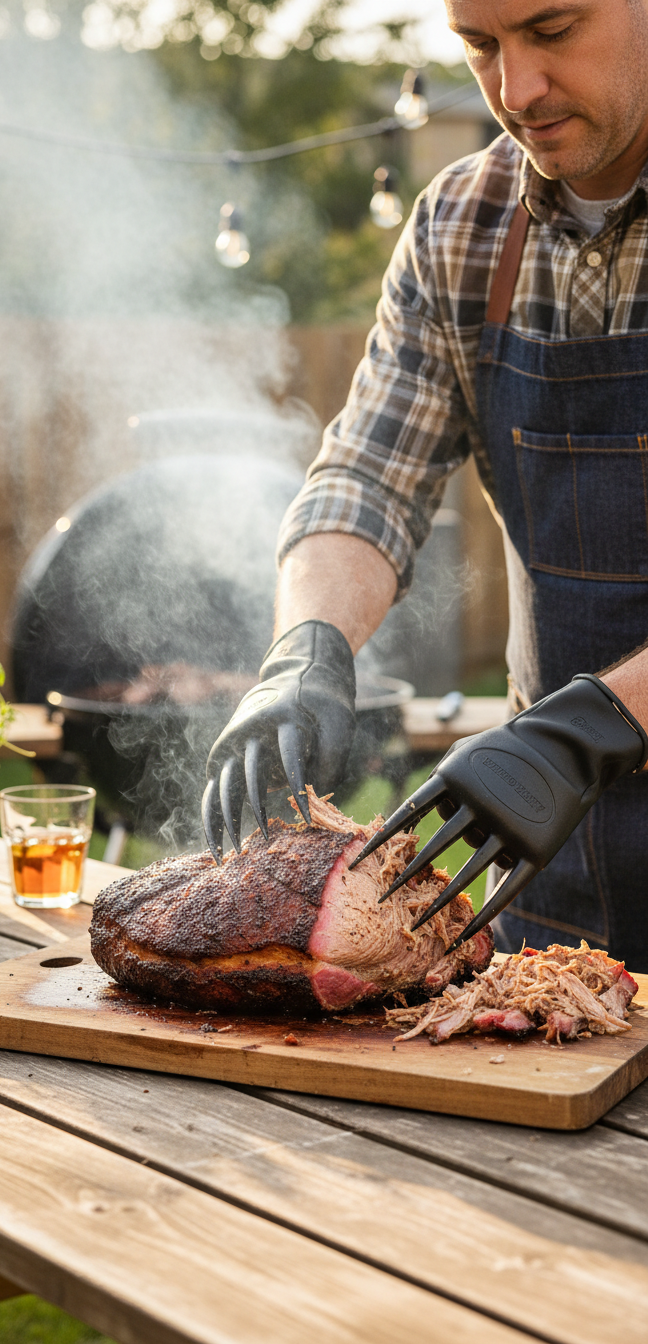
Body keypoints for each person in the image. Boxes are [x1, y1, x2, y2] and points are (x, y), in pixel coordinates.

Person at [203, 0, 648, 968]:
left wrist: (590, 728)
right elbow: (368, 474)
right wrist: (309, 646)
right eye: (480, 46)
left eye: (553, 30)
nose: (515, 91)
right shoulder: (461, 225)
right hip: (547, 907)